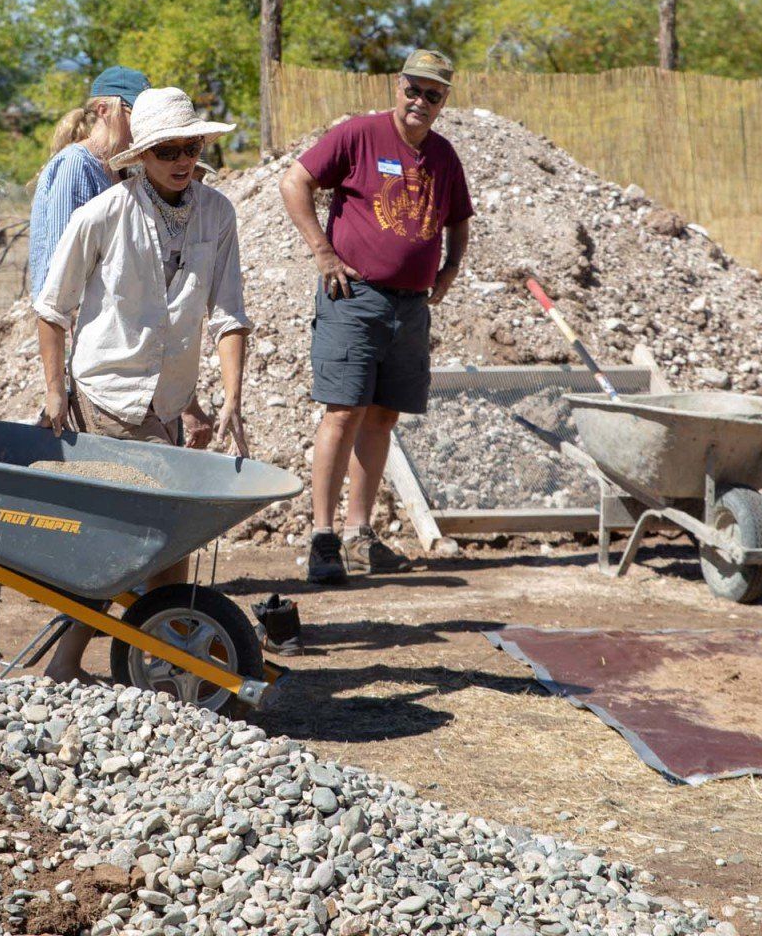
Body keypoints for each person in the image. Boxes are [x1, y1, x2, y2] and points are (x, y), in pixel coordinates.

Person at [32, 86, 253, 681]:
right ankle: (91, 660)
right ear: (143, 156)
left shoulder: (217, 213)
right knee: (137, 536)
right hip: (107, 392)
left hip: (167, 400)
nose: (182, 160)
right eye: (166, 150)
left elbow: (229, 315)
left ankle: (161, 652)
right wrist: (56, 391)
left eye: (190, 146)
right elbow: (51, 308)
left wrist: (228, 399)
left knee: (162, 539)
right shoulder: (104, 214)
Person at [279, 48, 473, 584]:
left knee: (384, 415)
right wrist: (322, 252)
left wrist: (451, 267)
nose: (420, 101)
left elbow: (459, 218)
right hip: (354, 297)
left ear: (443, 101)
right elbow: (294, 182)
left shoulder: (443, 156)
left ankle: (359, 536)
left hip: (410, 307)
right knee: (343, 411)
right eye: (413, 89)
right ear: (398, 85)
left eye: (432, 95)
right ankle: (322, 538)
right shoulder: (359, 135)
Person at [27, 65, 147, 301]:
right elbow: (62, 260)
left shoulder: (121, 168)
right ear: (104, 110)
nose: (145, 119)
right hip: (74, 321)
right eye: (135, 110)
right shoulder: (76, 164)